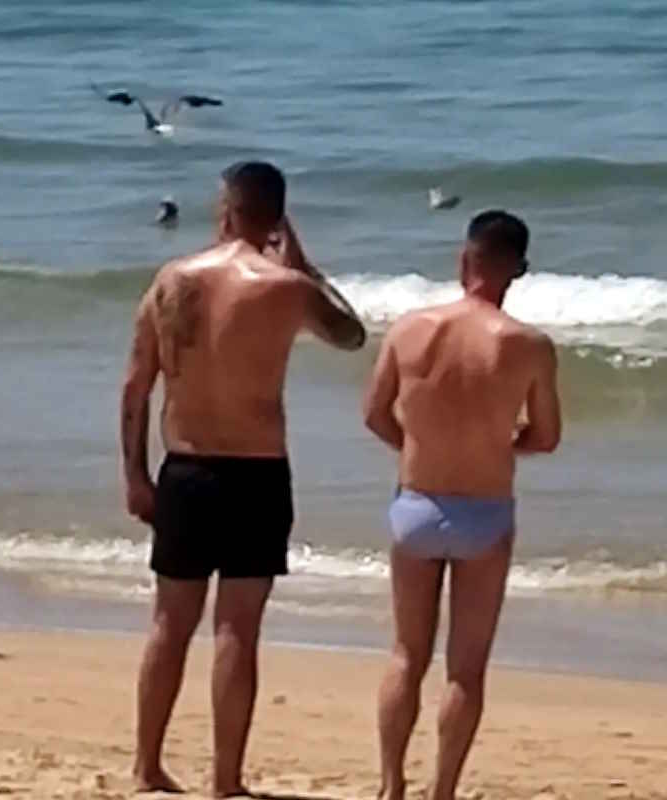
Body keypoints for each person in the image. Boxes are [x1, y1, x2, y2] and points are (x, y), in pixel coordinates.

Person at [121, 161, 366, 796]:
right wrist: (305, 264)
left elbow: (137, 385)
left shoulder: (173, 280)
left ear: (225, 209)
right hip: (257, 475)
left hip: (185, 470)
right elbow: (351, 335)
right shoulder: (287, 287)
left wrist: (135, 475)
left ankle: (147, 766)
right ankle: (225, 779)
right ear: (278, 218)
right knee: (238, 629)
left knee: (169, 623)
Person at [362, 210, 561, 800]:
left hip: (416, 504)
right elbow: (547, 437)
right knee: (466, 670)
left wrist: (418, 447)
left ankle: (391, 786)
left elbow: (374, 414)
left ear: (464, 258)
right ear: (518, 270)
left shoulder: (409, 329)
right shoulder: (528, 345)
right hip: (485, 512)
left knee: (406, 654)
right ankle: (442, 791)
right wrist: (496, 444)